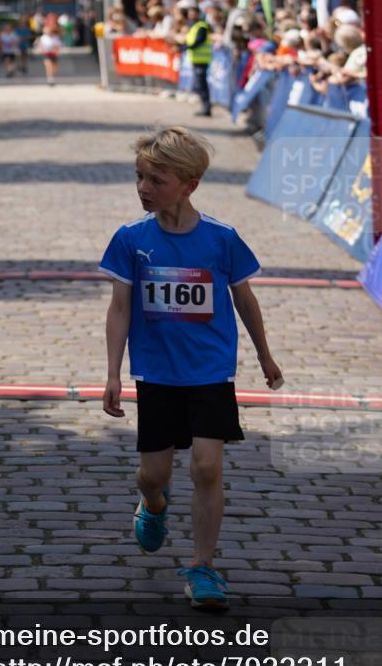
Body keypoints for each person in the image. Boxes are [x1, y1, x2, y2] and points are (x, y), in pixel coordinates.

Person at [100, 126, 282, 610]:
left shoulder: (222, 239)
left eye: (155, 180)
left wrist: (264, 355)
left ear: (189, 184)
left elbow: (244, 298)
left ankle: (202, 567)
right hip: (156, 373)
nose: (143, 188)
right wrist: (114, 373)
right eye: (139, 177)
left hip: (211, 371)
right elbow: (119, 309)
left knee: (207, 466)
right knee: (153, 474)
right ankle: (153, 505)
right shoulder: (130, 239)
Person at [184, 3, 212, 117]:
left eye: (193, 13)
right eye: (190, 13)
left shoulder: (201, 26)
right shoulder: (193, 26)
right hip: (196, 60)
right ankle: (204, 106)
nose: (191, 15)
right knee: (198, 85)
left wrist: (186, 47)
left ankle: (206, 107)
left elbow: (198, 41)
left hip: (202, 60)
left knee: (201, 85)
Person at [36, 20, 62, 85]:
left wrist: (56, 50)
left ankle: (52, 75)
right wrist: (42, 50)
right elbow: (40, 45)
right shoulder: (43, 38)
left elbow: (58, 45)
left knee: (55, 67)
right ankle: (50, 79)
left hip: (54, 54)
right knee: (48, 66)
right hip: (47, 54)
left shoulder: (55, 37)